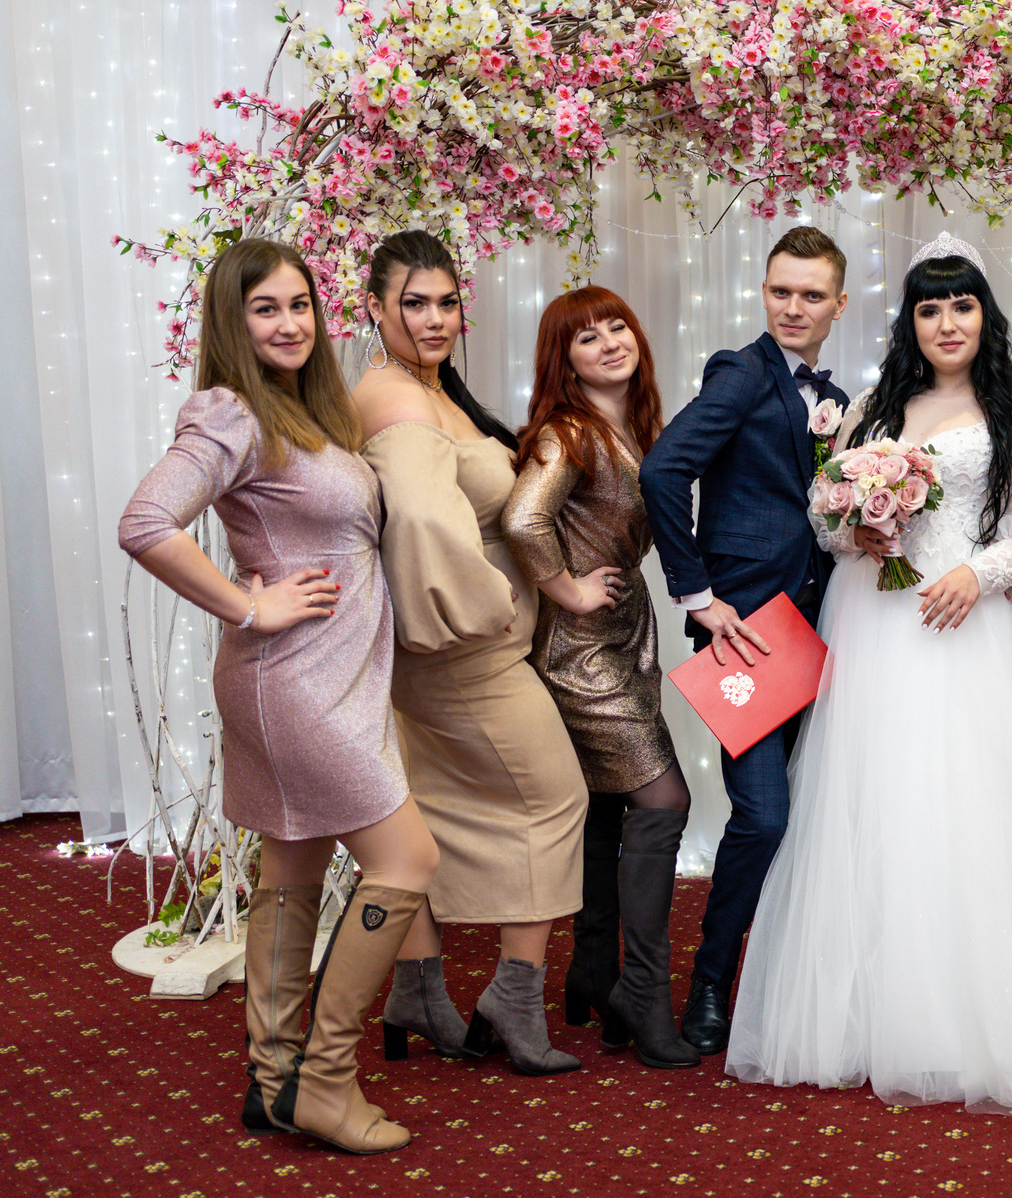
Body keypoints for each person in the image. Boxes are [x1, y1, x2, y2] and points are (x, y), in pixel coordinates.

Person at [724, 234, 1012, 1113]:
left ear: (984, 316)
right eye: (929, 308)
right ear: (909, 322)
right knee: (873, 800)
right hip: (872, 625)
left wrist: (979, 573)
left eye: (962, 305)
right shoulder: (873, 406)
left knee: (968, 806)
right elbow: (822, 517)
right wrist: (856, 528)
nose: (947, 322)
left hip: (967, 630)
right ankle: (871, 1015)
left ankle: (973, 1022)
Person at [118, 237, 437, 1154]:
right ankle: (325, 1083)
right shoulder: (230, 413)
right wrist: (248, 604)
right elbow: (145, 522)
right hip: (291, 681)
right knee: (408, 859)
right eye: (266, 309)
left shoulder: (304, 408)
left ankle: (272, 1080)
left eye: (300, 304)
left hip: (334, 675)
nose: (291, 323)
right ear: (233, 320)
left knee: (291, 869)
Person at [354, 230, 587, 1076]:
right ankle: (512, 998)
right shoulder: (397, 398)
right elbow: (421, 521)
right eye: (413, 303)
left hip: (441, 654)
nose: (434, 319)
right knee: (556, 799)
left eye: (447, 302)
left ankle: (417, 991)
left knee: (428, 812)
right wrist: (494, 604)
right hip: (463, 653)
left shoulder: (427, 388)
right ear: (374, 308)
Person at [638, 225, 851, 1055]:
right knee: (763, 817)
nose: (793, 307)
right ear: (763, 292)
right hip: (749, 636)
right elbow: (663, 470)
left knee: (817, 818)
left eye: (811, 295)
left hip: (822, 629)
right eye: (780, 291)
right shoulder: (741, 371)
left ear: (838, 304)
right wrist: (698, 596)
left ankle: (793, 983)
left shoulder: (834, 395)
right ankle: (711, 982)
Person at [503, 287, 699, 1071]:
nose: (611, 341)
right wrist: (568, 588)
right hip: (578, 651)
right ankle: (642, 993)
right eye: (587, 337)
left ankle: (592, 969)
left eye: (619, 325)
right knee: (664, 798)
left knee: (608, 804)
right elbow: (523, 519)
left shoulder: (637, 428)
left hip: (624, 635)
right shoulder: (569, 434)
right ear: (565, 361)